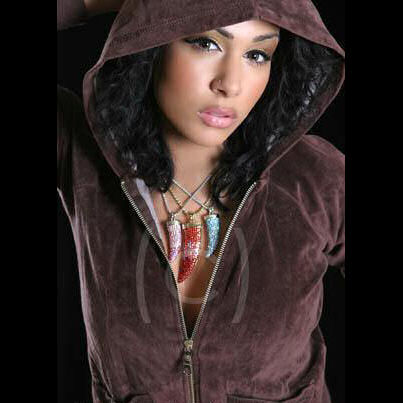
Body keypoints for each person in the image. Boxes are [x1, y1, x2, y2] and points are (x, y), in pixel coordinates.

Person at [57, 0, 345, 402]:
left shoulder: (315, 177)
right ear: (153, 41)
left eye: (257, 55)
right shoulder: (81, 156)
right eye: (206, 43)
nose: (231, 84)